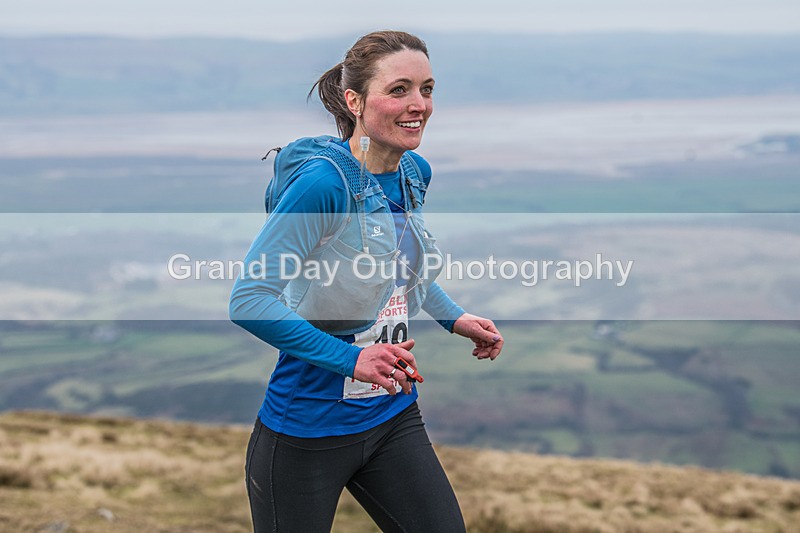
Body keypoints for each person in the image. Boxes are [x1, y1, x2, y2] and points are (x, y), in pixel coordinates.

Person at [229, 30, 504, 532]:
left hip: (391, 415)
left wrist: (453, 316)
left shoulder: (412, 172)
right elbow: (250, 300)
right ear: (355, 100)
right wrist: (354, 359)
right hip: (307, 429)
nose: (418, 104)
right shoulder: (324, 185)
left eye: (427, 88)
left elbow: (395, 271)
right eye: (398, 90)